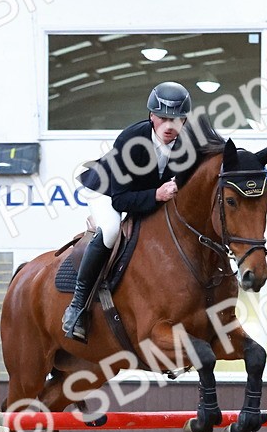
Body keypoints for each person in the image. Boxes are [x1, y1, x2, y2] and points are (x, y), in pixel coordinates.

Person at [63, 81, 194, 342]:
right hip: (108, 190)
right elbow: (121, 201)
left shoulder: (189, 143)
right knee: (111, 230)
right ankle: (77, 307)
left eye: (177, 120)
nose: (170, 126)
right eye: (164, 118)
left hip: (149, 193)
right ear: (152, 117)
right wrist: (157, 194)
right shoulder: (131, 140)